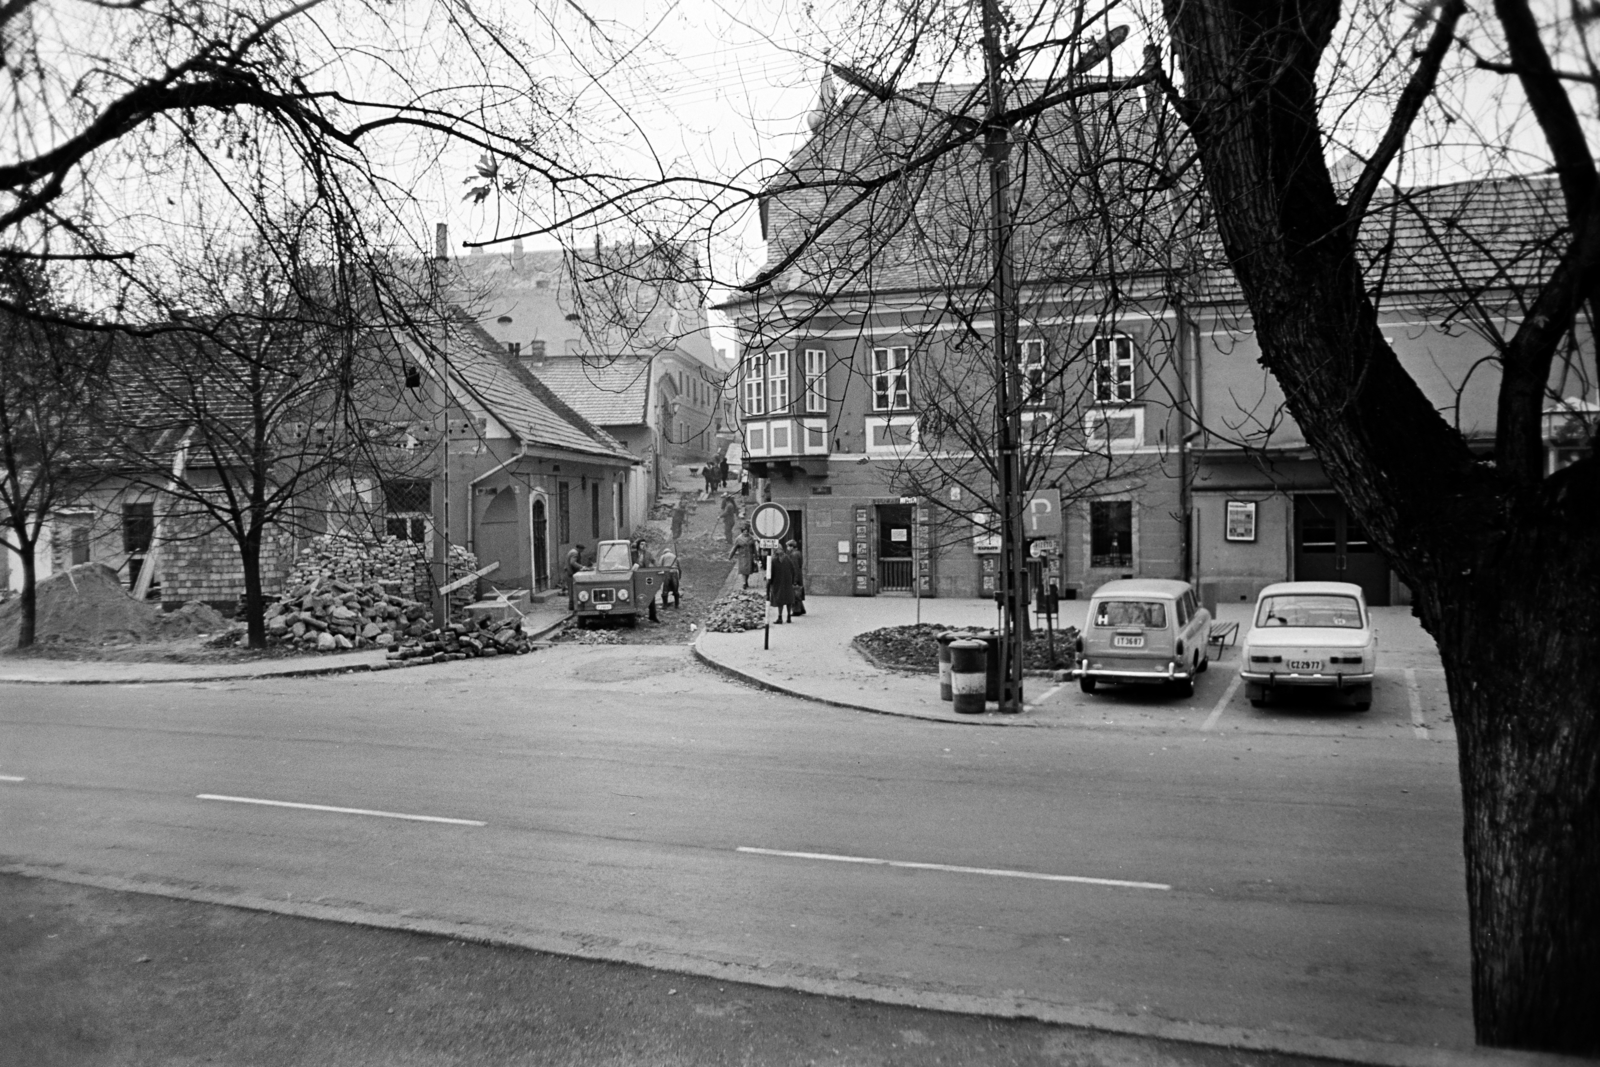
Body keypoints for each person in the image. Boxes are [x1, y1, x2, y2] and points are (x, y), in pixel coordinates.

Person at [767, 542, 795, 623]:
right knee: (789, 599)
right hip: (788, 581)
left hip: (777, 582)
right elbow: (793, 569)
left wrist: (769, 583)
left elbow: (771, 573)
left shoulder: (773, 559)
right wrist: (791, 580)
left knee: (780, 599)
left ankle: (780, 617)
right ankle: (789, 617)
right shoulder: (787, 558)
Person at [730, 524, 756, 588]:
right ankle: (744, 582)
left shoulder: (751, 538)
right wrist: (730, 556)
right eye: (744, 531)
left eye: (747, 531)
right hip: (742, 556)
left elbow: (754, 548)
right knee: (743, 570)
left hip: (749, 556)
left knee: (748, 571)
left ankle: (746, 581)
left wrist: (756, 556)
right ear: (742, 531)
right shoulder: (738, 539)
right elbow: (734, 548)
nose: (745, 532)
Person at [785, 539, 805, 616]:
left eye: (788, 546)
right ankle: (801, 609)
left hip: (795, 576)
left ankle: (796, 611)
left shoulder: (793, 555)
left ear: (792, 547)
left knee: (794, 593)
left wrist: (794, 580)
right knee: (798, 592)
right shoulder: (798, 553)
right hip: (799, 575)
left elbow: (795, 567)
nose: (787, 548)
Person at [565, 543, 587, 610]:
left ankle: (572, 605)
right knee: (572, 590)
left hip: (569, 572)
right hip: (570, 573)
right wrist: (581, 567)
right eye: (582, 550)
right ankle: (571, 606)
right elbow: (572, 562)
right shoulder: (575, 553)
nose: (582, 551)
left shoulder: (572, 551)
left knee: (571, 590)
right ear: (579, 549)